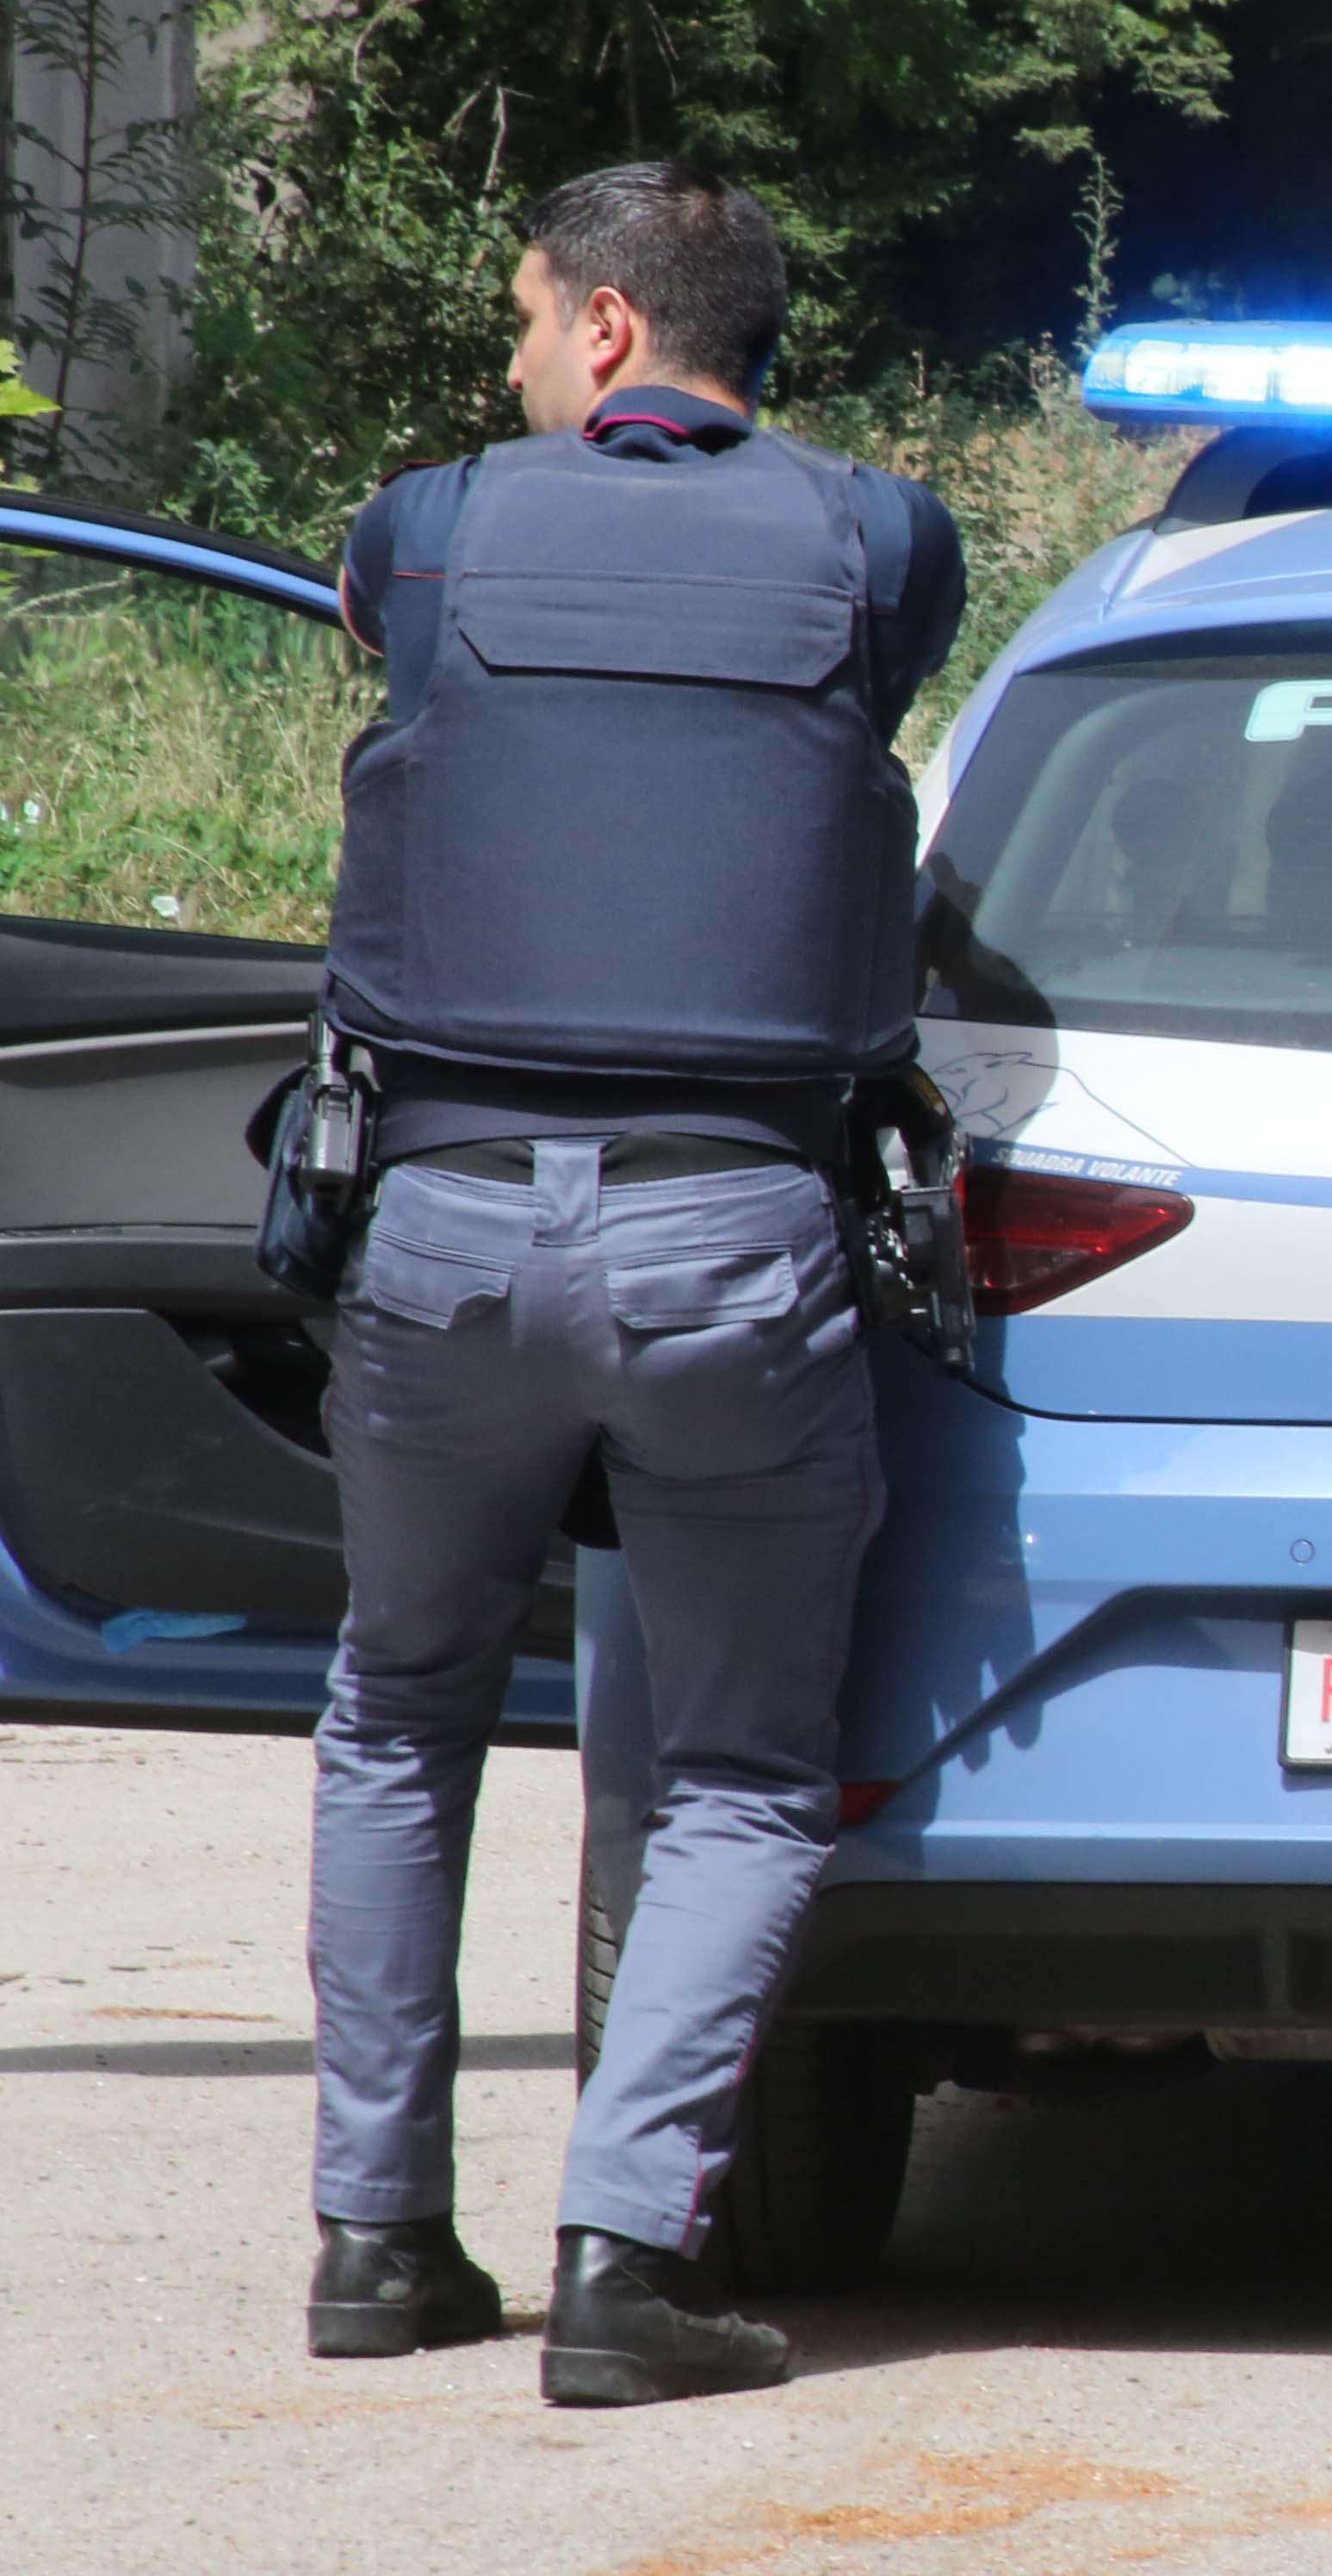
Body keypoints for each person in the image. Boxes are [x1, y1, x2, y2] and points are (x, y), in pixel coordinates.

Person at [300, 164, 965, 2403]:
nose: (506, 366)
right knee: (747, 1769)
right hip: (728, 1234)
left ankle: (378, 2239)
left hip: (443, 1221)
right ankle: (621, 2256)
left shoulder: (427, 524)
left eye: (518, 322)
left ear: (601, 328)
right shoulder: (878, 541)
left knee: (399, 1711)